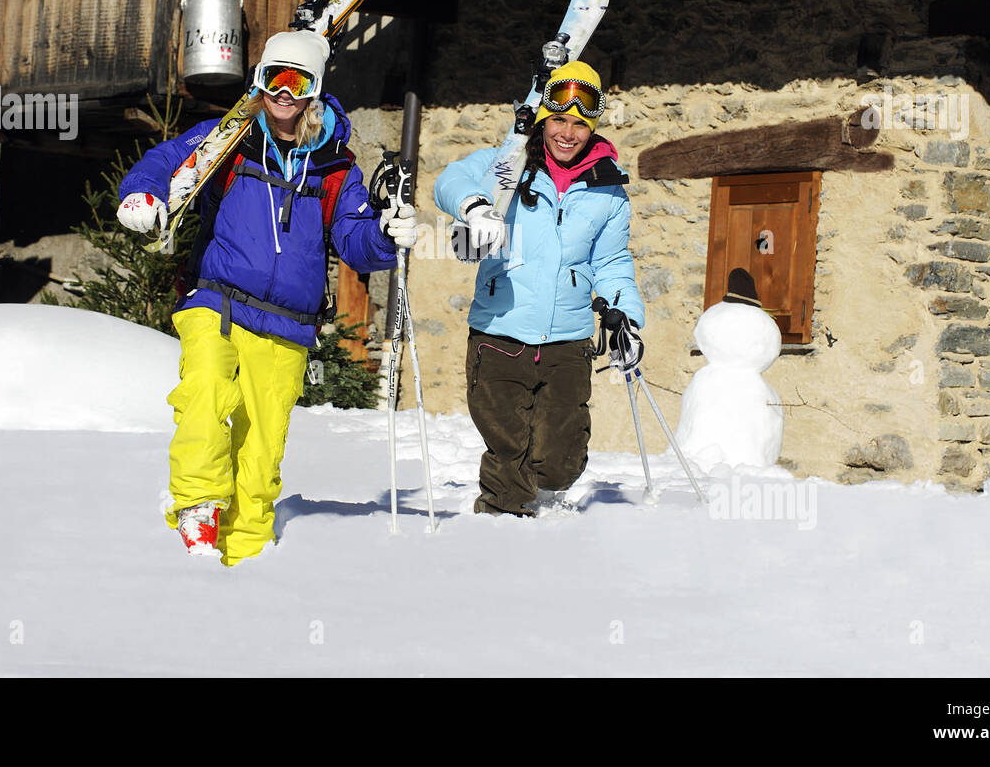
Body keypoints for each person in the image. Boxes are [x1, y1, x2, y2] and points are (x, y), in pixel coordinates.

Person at [117, 30, 416, 564]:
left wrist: (387, 236)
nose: (282, 91)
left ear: (314, 90)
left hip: (287, 324)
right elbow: (165, 162)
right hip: (218, 300)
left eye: (295, 81)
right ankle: (198, 504)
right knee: (206, 389)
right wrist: (140, 193)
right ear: (258, 81)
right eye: (272, 77)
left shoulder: (336, 168)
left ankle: (243, 562)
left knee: (260, 456)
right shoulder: (228, 138)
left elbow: (355, 240)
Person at [433, 61, 645, 516]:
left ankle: (549, 513)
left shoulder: (608, 189)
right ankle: (503, 535)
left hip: (567, 339)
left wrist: (624, 313)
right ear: (544, 120)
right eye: (559, 121)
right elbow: (449, 180)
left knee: (560, 458)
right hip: (500, 330)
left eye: (579, 124)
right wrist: (474, 207)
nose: (567, 133)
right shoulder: (509, 165)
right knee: (509, 451)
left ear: (592, 128)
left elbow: (610, 260)